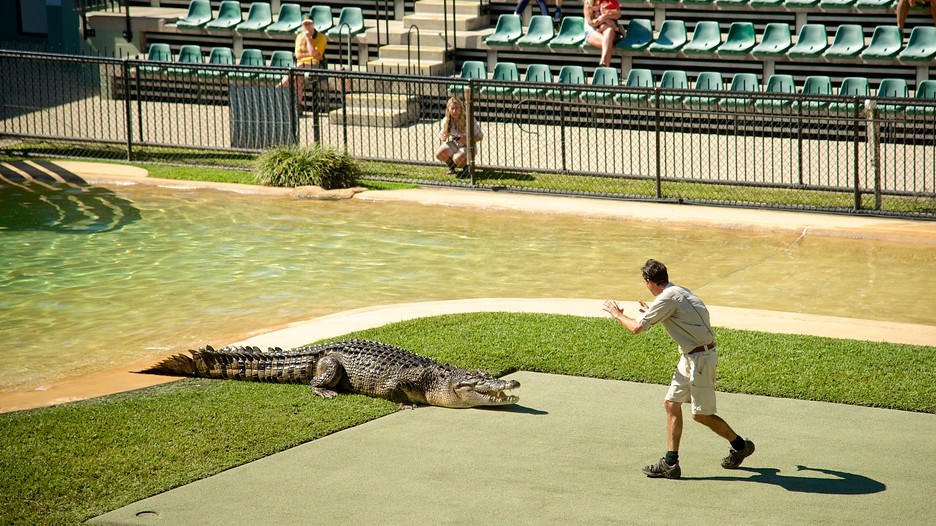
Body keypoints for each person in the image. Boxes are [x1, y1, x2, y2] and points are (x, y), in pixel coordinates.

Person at [602, 259, 755, 480]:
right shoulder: (677, 291)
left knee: (701, 415)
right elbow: (680, 316)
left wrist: (616, 313)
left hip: (701, 359)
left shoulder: (666, 299)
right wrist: (653, 311)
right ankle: (670, 463)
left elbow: (635, 328)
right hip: (690, 356)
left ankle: (740, 446)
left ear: (648, 282)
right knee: (671, 403)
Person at [278, 14, 327, 109]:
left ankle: (280, 87)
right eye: (305, 24)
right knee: (298, 76)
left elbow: (316, 55)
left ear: (313, 23)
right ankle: (298, 105)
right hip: (301, 65)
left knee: (298, 68)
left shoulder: (321, 37)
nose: (307, 26)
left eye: (309, 24)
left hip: (315, 65)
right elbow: (298, 55)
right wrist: (312, 54)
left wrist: (309, 39)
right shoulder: (299, 37)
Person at [435, 97, 483, 174]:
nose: (454, 111)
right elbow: (441, 134)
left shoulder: (469, 119)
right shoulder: (446, 120)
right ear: (448, 109)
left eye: (456, 108)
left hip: (468, 145)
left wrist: (467, 139)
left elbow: (480, 136)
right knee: (439, 153)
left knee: (457, 158)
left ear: (461, 108)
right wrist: (442, 136)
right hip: (455, 143)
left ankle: (466, 167)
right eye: (452, 108)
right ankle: (451, 166)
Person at [584, 0, 621, 67]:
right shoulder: (588, 2)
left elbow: (618, 15)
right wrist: (602, 20)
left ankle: (603, 60)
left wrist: (605, 17)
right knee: (608, 42)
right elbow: (591, 23)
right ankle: (606, 67)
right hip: (593, 30)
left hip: (608, 28)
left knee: (609, 31)